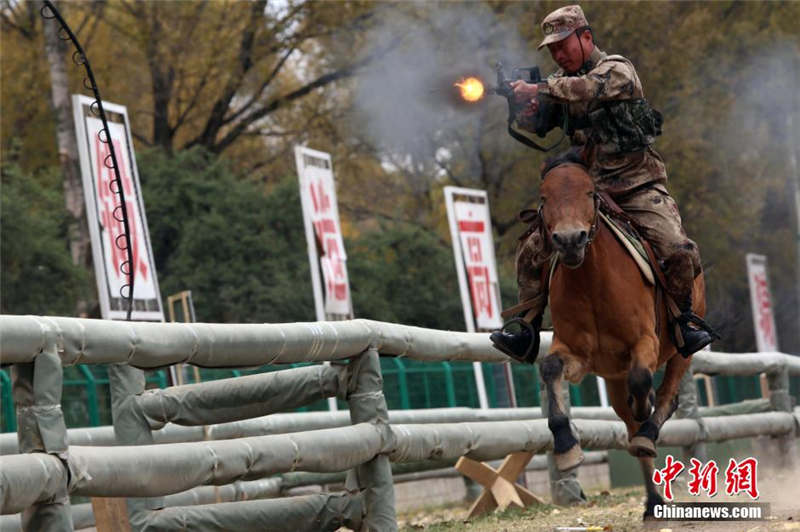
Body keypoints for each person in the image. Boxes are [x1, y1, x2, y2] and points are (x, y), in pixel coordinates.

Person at [490, 5, 717, 362]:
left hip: (638, 185)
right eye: (552, 49)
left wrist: (539, 89)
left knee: (678, 249)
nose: (558, 54)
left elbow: (586, 88)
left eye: (564, 45)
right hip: (588, 190)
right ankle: (526, 328)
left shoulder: (617, 69)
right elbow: (541, 123)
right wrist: (522, 107)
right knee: (531, 249)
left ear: (586, 37)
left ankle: (682, 322)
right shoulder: (557, 86)